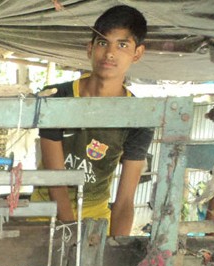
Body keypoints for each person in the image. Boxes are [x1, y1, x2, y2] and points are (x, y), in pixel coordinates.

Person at [31, 5, 153, 236]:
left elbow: (125, 199)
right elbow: (57, 179)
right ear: (89, 49)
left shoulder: (139, 116)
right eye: (102, 43)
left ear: (137, 54)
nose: (109, 53)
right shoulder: (57, 97)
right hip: (42, 217)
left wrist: (116, 247)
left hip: (96, 226)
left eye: (122, 45)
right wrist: (71, 234)